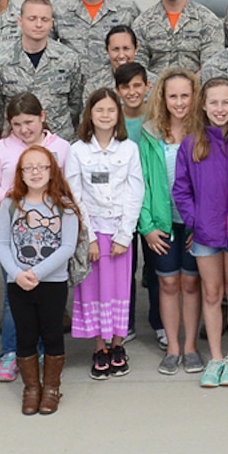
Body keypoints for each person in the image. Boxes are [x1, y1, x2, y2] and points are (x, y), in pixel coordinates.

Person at [0, 92, 76, 381]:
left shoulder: (62, 148)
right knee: (14, 299)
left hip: (52, 238)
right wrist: (8, 198)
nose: (24, 129)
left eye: (29, 122)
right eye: (17, 124)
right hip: (17, 237)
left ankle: (45, 351)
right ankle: (11, 352)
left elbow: (70, 186)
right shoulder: (2, 148)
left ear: (43, 116)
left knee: (49, 301)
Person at [0, 144, 84, 414]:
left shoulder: (64, 207)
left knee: (52, 333)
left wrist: (37, 273)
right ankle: (31, 387)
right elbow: (1, 244)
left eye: (42, 167)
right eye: (28, 168)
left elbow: (67, 247)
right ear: (20, 173)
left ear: (52, 171)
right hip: (18, 283)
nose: (35, 172)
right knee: (25, 335)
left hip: (51, 284)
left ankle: (51, 387)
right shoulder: (10, 205)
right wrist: (17, 273)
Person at [177, 78, 228, 388]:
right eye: (213, 102)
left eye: (225, 102)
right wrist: (195, 221)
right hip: (205, 233)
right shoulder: (192, 144)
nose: (220, 109)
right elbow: (181, 190)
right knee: (211, 292)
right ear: (203, 105)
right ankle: (215, 357)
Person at [70, 87, 144, 379]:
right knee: (93, 291)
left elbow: (135, 191)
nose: (105, 115)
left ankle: (117, 344)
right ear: (90, 113)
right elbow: (75, 196)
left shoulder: (129, 149)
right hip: (92, 234)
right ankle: (99, 346)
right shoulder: (77, 150)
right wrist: (87, 237)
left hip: (118, 235)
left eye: (111, 110)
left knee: (118, 290)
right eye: (99, 110)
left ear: (119, 114)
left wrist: (124, 236)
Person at [135, 71, 201, 376]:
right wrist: (146, 226)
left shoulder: (202, 132)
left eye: (185, 96)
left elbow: (210, 185)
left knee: (190, 282)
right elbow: (141, 184)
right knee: (168, 282)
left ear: (194, 96)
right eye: (172, 96)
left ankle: (190, 347)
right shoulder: (149, 134)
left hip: (192, 225)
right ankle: (173, 347)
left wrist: (199, 224)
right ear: (162, 97)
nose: (179, 102)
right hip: (161, 224)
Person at [0, 0, 87, 138]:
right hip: (17, 141)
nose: (39, 24)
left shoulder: (68, 59)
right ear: (20, 21)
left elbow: (76, 104)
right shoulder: (0, 61)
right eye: (32, 19)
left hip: (57, 141)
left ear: (52, 23)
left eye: (44, 19)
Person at [52, 0, 142, 87]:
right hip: (72, 90)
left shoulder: (127, 8)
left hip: (112, 91)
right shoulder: (60, 8)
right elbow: (48, 48)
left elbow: (140, 50)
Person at [133, 0, 225, 74]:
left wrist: (186, 89)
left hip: (195, 90)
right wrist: (161, 90)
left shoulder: (208, 21)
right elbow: (138, 69)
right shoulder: (143, 23)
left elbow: (211, 67)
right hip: (154, 91)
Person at [86, 25, 142, 98]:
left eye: (126, 48)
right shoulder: (94, 86)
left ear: (136, 48)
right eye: (115, 49)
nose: (121, 55)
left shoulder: (153, 83)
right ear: (107, 50)